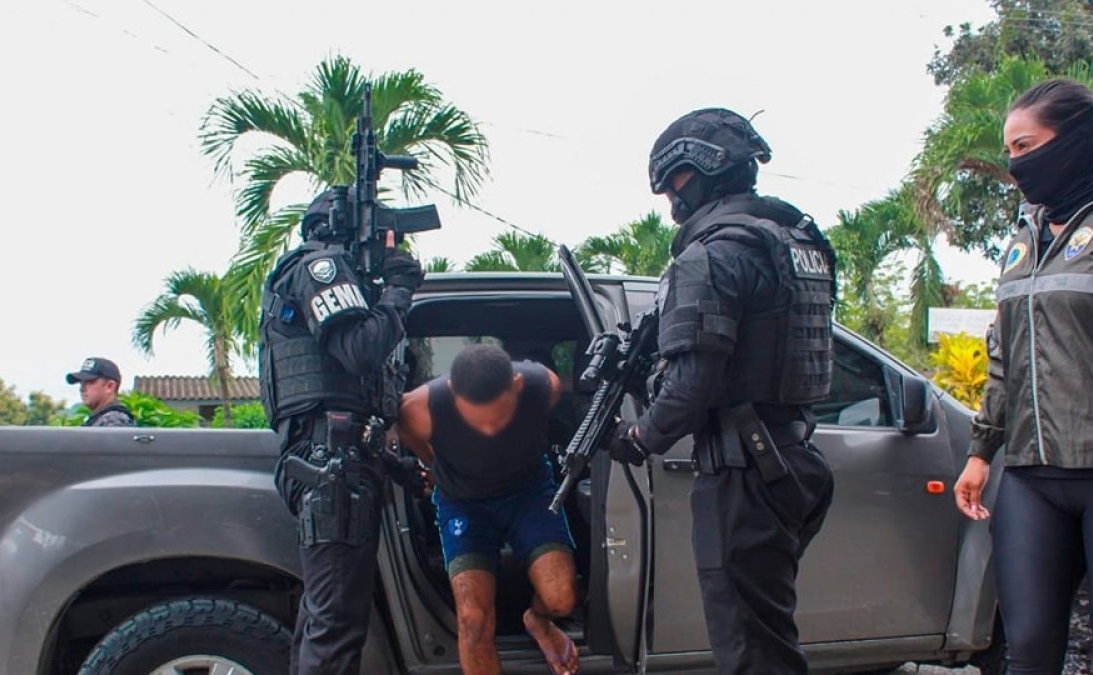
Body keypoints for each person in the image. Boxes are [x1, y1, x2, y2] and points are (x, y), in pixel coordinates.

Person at [604, 108, 836, 674]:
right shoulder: (794, 240)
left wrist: (640, 434)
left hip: (744, 476)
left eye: (673, 185)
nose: (671, 200)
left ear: (695, 173)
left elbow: (693, 386)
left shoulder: (711, 255)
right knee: (766, 636)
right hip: (791, 460)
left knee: (752, 652)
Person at [954, 78, 1093, 675]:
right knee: (1029, 647)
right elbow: (1005, 354)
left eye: (1025, 146)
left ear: (1076, 141)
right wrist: (982, 450)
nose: (1015, 164)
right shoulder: (1024, 239)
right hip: (1034, 478)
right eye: (1010, 150)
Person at [259, 190, 424, 675]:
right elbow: (360, 351)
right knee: (334, 628)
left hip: (335, 464)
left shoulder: (322, 276)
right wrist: (398, 289)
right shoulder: (320, 268)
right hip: (331, 470)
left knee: (324, 622)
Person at [397, 344, 578, 675]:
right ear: (452, 392)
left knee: (560, 598)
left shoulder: (543, 386)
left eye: (499, 416)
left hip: (528, 493)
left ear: (517, 386)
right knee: (473, 621)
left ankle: (538, 621)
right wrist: (440, 473)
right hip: (464, 504)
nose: (489, 429)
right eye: (475, 420)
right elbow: (426, 456)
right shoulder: (418, 410)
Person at [65, 357, 134, 427]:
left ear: (109, 386)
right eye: (81, 383)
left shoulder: (114, 421)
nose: (82, 388)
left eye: (90, 382)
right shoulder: (99, 419)